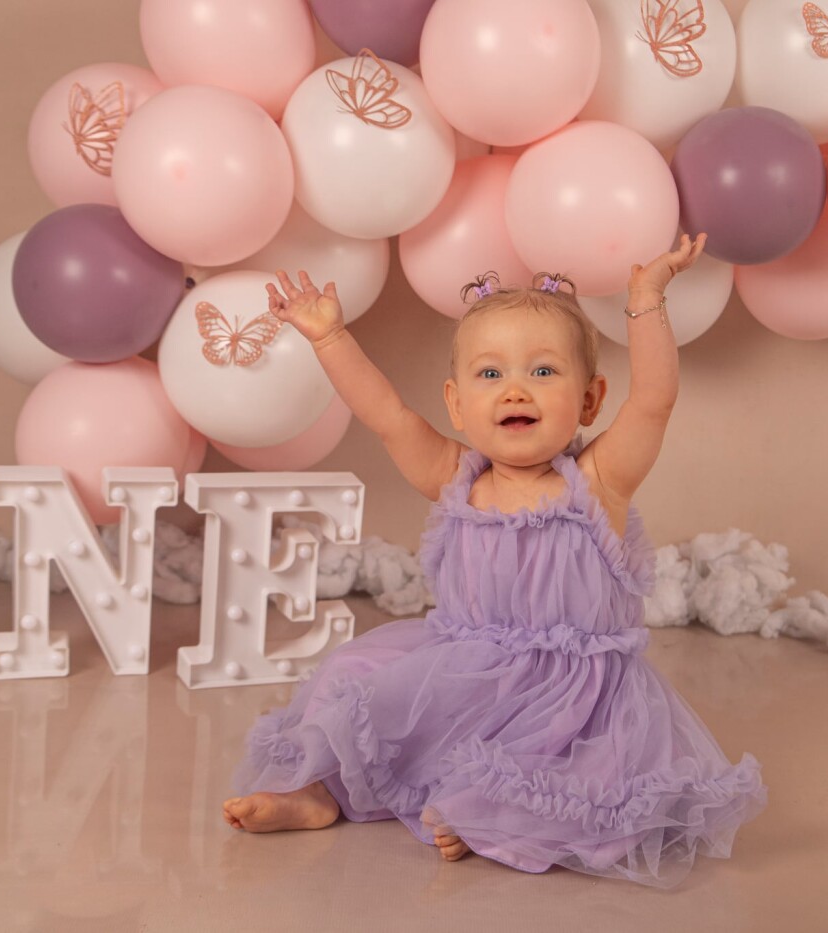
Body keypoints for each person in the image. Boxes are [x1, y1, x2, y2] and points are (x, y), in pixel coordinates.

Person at [222, 235, 766, 887]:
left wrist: (646, 301)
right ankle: (318, 791)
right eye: (491, 374)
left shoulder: (599, 481)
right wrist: (330, 337)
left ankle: (497, 818)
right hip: (464, 672)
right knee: (352, 674)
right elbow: (388, 415)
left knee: (577, 772)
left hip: (571, 697)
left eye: (543, 371)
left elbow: (654, 400)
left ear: (590, 401)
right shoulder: (456, 475)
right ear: (457, 404)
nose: (515, 391)